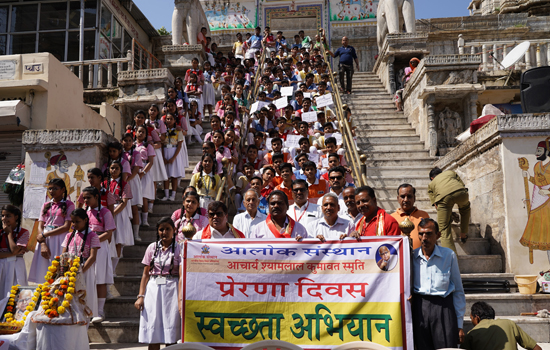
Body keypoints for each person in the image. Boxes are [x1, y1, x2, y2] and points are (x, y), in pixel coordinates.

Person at [412, 218, 465, 350]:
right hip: (419, 307)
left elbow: (458, 290)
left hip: (443, 308)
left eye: (429, 233)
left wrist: (459, 324)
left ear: (438, 235)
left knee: (446, 347)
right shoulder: (411, 256)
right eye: (421, 234)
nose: (424, 238)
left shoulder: (449, 255)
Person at [135, 217, 182, 349]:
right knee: (153, 330)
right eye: (161, 229)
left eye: (168, 229)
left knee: (170, 329)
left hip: (172, 287)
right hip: (154, 288)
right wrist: (140, 296)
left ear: (174, 230)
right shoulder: (152, 247)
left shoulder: (179, 248)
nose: (164, 232)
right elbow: (145, 274)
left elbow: (182, 274)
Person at [28, 178, 74, 283]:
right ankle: (44, 295)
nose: (51, 191)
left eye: (55, 188)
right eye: (50, 189)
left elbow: (66, 226)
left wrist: (44, 235)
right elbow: (40, 225)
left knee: (57, 266)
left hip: (60, 238)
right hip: (44, 238)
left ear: (63, 190)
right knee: (43, 268)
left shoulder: (69, 204)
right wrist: (43, 242)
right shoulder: (46, 205)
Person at [61, 208, 100, 317]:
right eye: (72, 221)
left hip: (85, 270)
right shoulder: (69, 236)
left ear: (85, 220)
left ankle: (85, 325)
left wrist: (80, 271)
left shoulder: (93, 236)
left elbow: (92, 257)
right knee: (71, 298)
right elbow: (63, 255)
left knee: (85, 298)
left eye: (77, 221)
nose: (74, 224)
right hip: (70, 271)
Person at [461, 301, 542, 350]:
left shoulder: (471, 334)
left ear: (477, 318)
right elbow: (537, 348)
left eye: (471, 318)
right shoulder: (509, 324)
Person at [428, 167, 470, 254]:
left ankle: (452, 260)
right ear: (441, 173)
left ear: (432, 178)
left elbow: (437, 205)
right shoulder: (451, 173)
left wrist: (447, 214)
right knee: (465, 209)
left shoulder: (431, 184)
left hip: (443, 198)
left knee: (444, 230)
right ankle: (463, 234)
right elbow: (462, 185)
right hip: (461, 192)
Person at [0, 205, 30, 299]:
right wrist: (15, 253)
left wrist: (9, 234)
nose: (4, 218)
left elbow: (14, 249)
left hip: (17, 265)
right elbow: (15, 251)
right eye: (3, 215)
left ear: (16, 217)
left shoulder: (24, 232)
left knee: (17, 294)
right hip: (2, 265)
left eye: (8, 216)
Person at [391, 184, 430, 250]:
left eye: (409, 196)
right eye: (402, 196)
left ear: (414, 198)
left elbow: (431, 237)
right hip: (399, 256)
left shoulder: (424, 215)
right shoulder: (391, 218)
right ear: (398, 199)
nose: (406, 200)